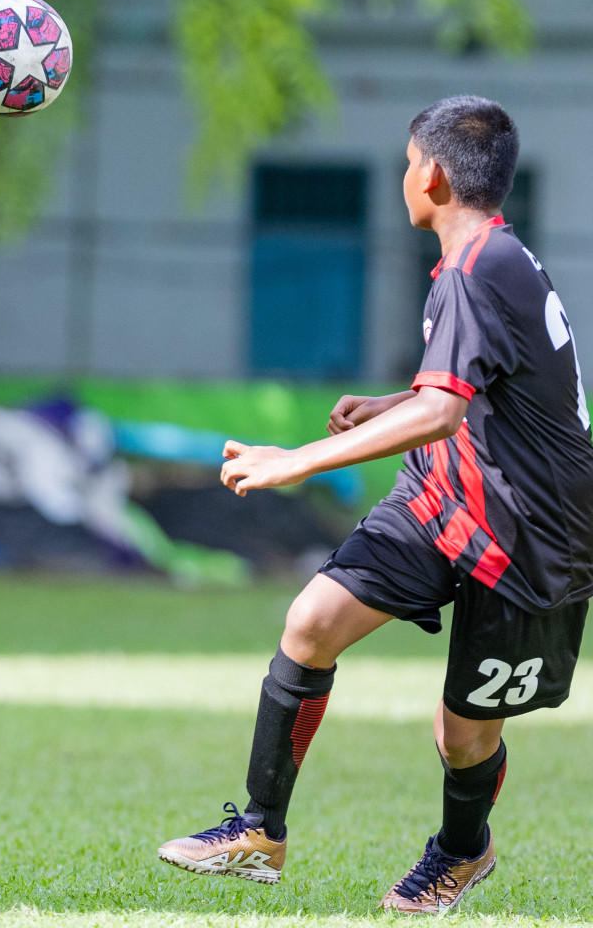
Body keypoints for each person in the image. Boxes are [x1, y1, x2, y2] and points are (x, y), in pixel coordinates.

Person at [157, 96, 593, 913]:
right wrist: (395, 400)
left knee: (461, 735)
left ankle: (464, 851)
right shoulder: (491, 257)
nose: (404, 177)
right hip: (444, 492)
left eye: (404, 164)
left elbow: (444, 410)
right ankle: (258, 831)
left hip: (533, 536)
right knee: (310, 624)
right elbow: (469, 390)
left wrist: (297, 461)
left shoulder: (475, 271)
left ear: (429, 175)